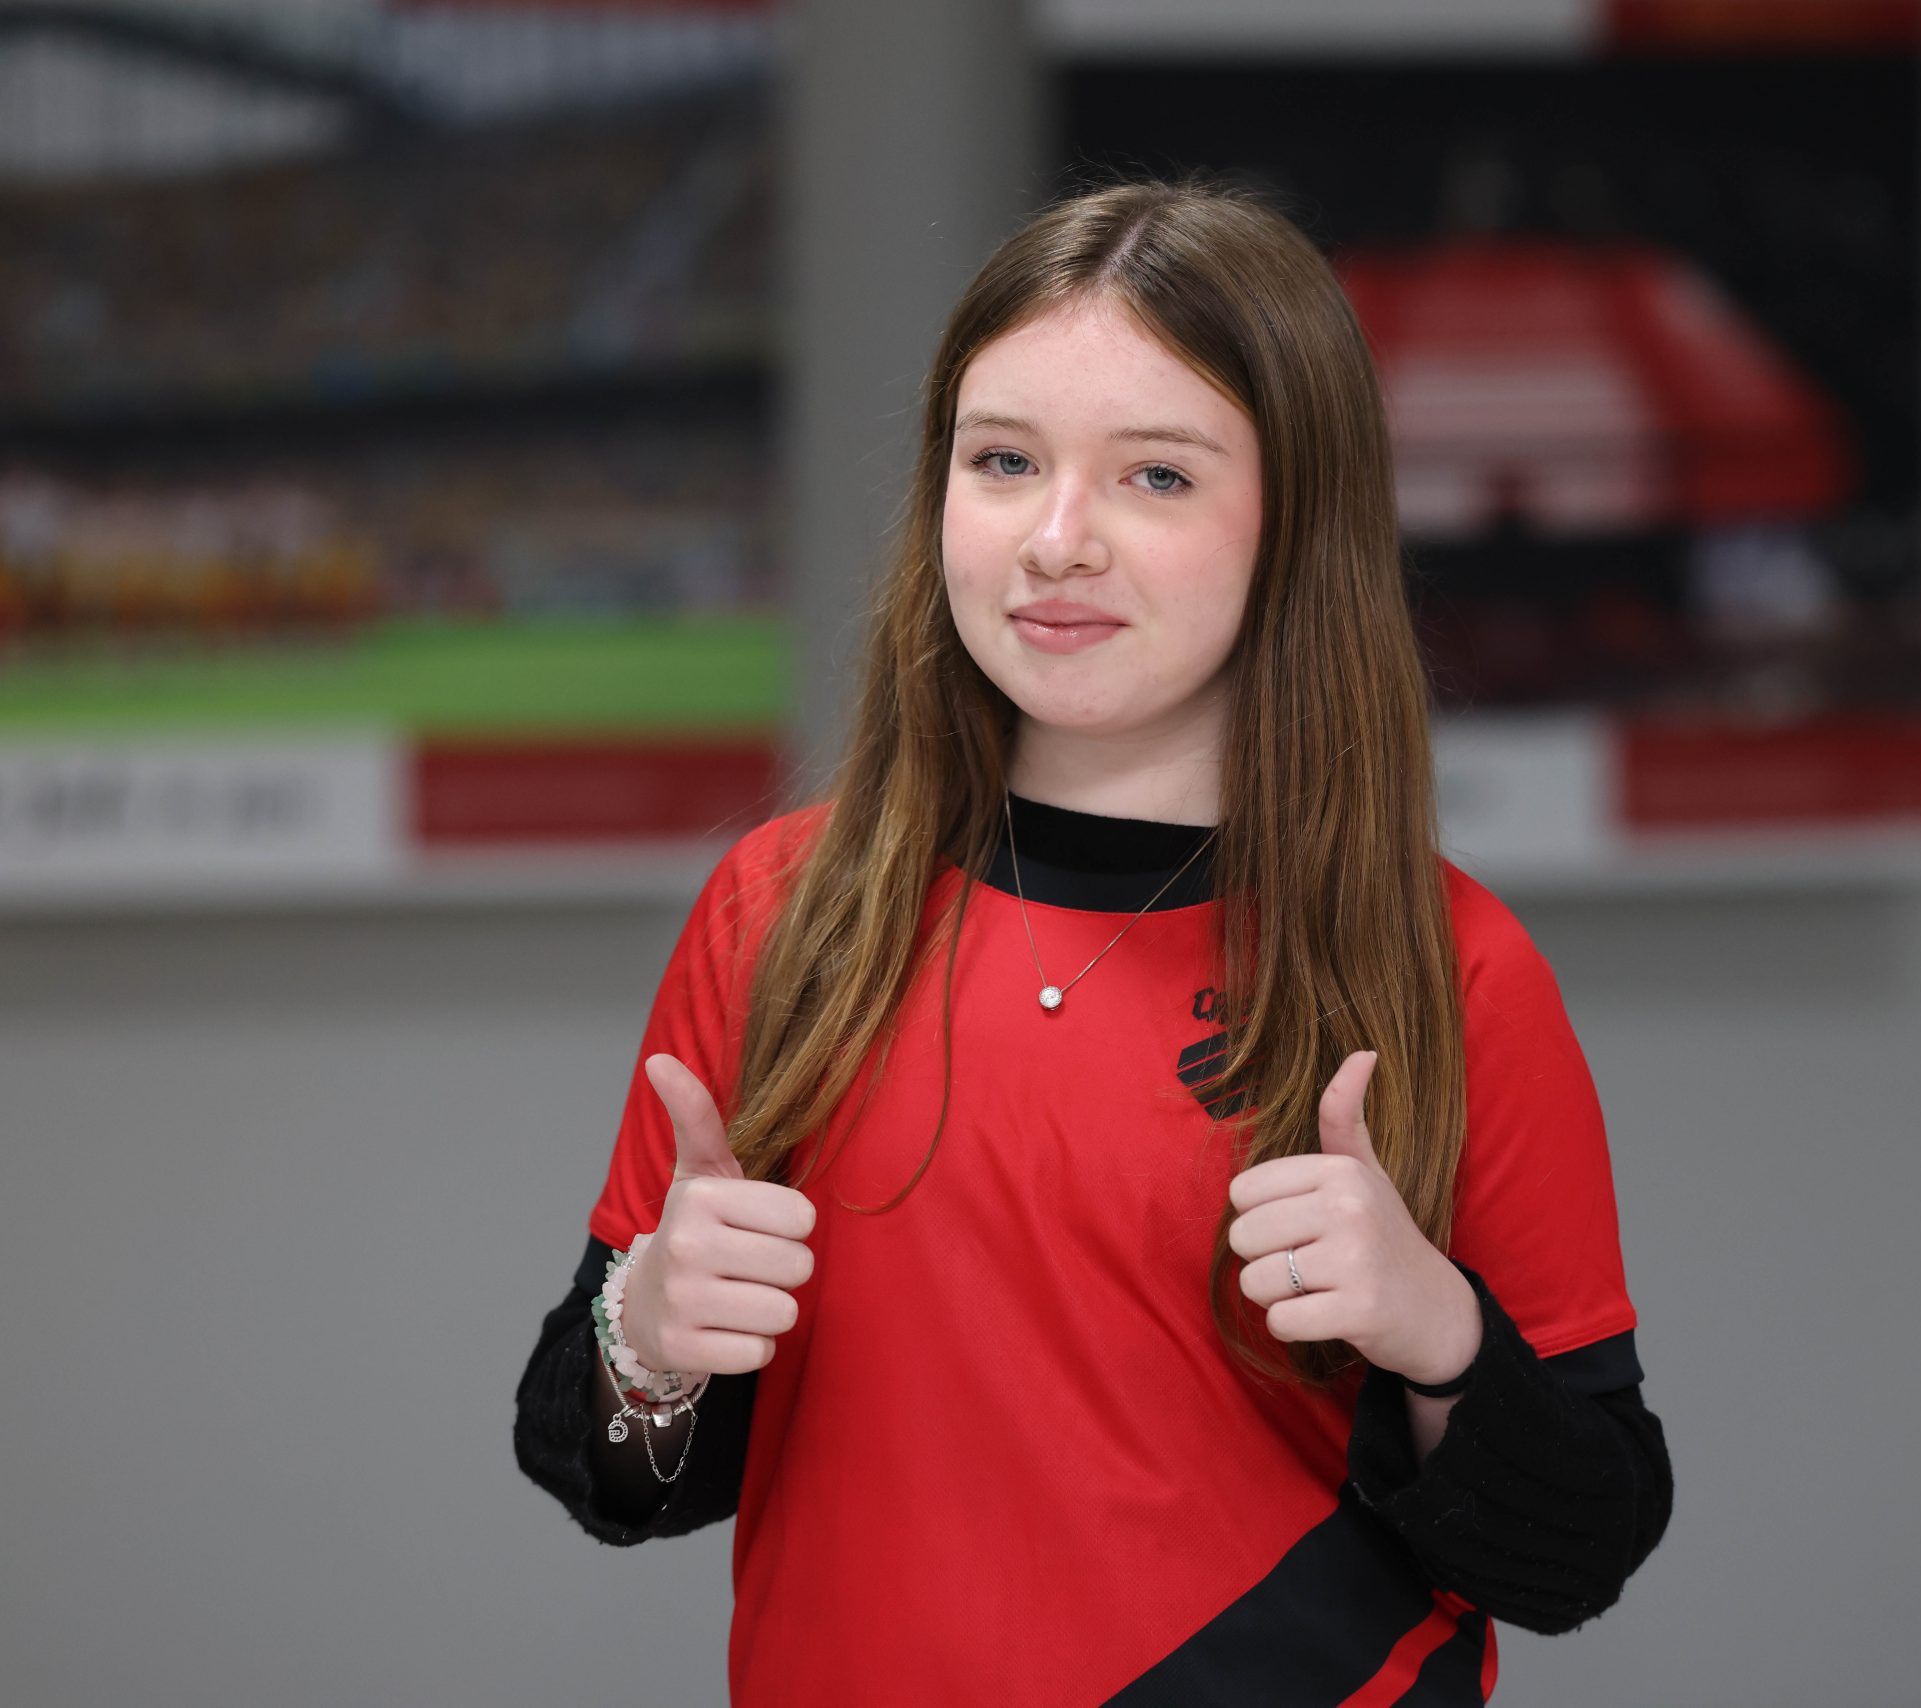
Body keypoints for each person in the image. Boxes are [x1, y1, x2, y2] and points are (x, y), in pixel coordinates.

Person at [513, 174, 1672, 1706]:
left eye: (1157, 477)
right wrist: (649, 1342)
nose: (1058, 540)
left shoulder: (1449, 968)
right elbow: (604, 1466)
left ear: (1298, 522)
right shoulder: (783, 912)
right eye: (1004, 461)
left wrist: (1440, 1338)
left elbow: (1583, 1550)